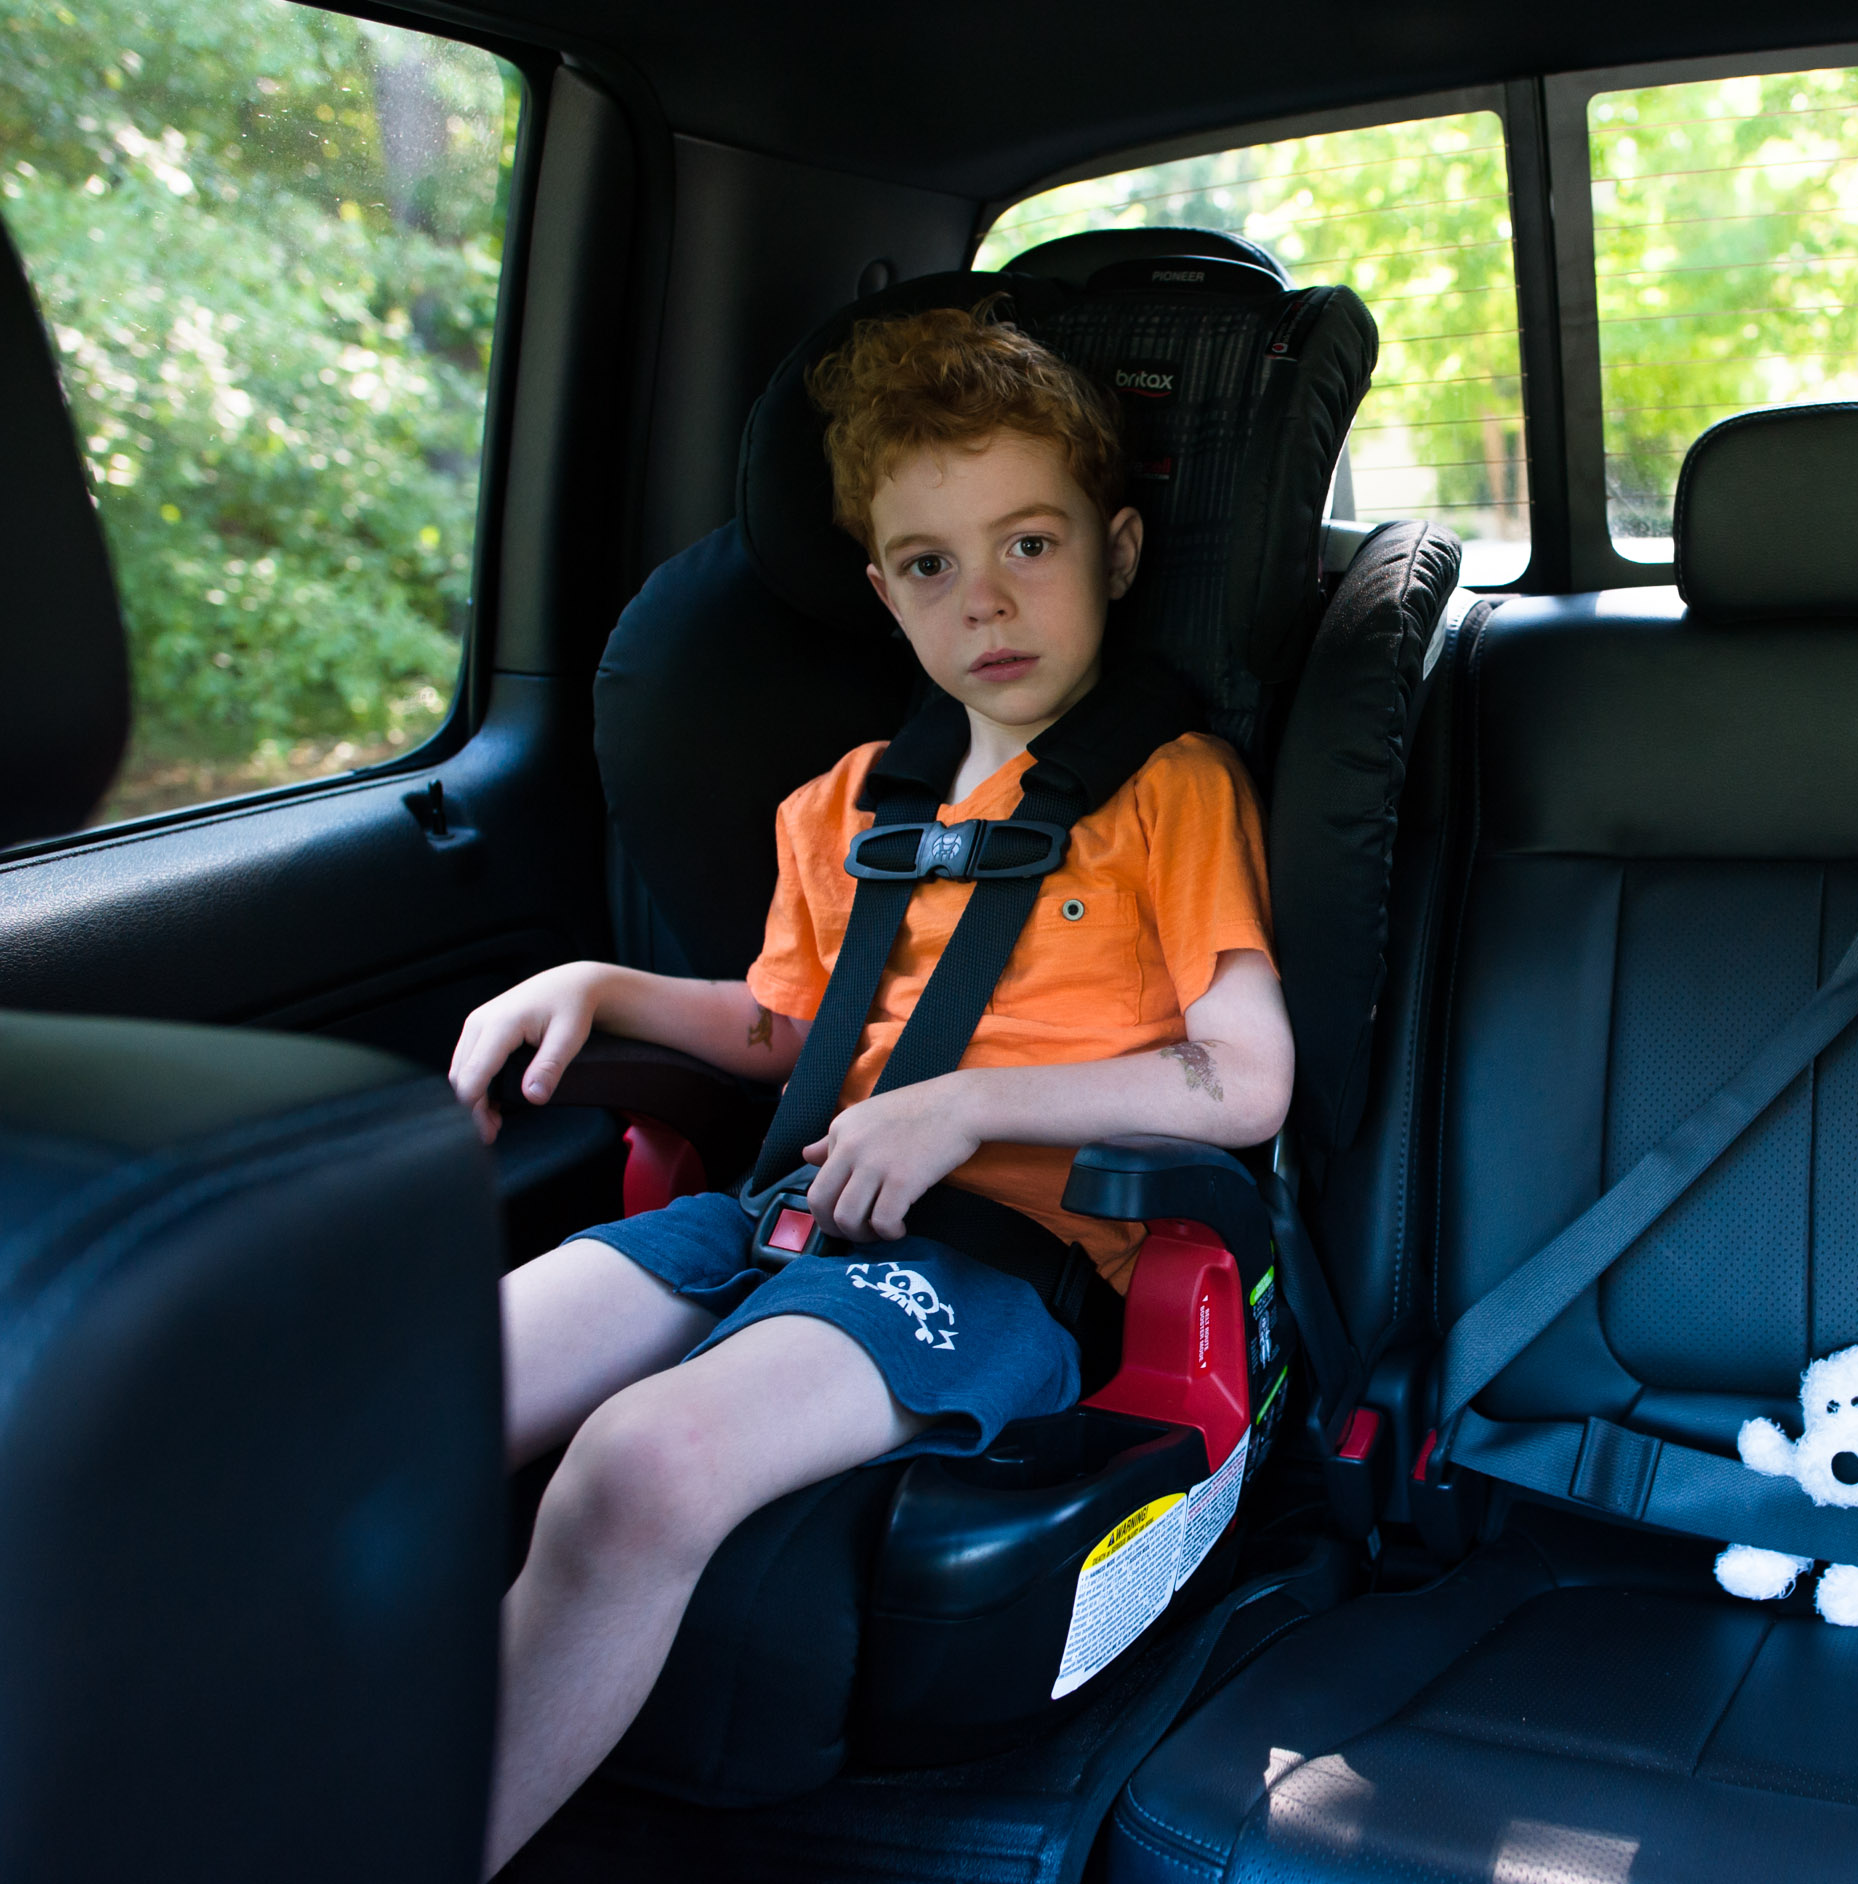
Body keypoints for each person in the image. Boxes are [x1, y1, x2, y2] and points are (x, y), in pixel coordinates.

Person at [446, 305, 1291, 1876]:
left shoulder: (1177, 791)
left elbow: (1244, 1080)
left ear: (1115, 546)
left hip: (1000, 1270)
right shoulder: (838, 807)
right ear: (880, 589)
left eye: (1029, 543)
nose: (986, 602)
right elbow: (784, 1034)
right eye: (929, 564)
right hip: (780, 1216)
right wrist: (600, 988)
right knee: (411, 1391)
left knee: (644, 1463)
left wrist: (970, 1103)